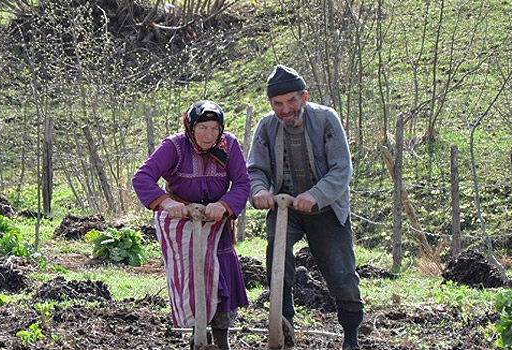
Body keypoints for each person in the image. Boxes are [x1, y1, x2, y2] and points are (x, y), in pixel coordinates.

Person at [247, 65, 364, 350]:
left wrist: (315, 195)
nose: (285, 109)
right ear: (270, 104)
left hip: (324, 208)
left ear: (304, 97)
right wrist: (260, 190)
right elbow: (255, 169)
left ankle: (351, 337)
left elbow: (341, 169)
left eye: (291, 101)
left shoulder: (325, 120)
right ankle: (283, 324)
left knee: (341, 272)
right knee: (277, 257)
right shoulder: (266, 125)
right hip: (284, 208)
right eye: (277, 103)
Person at [132, 100, 250, 350]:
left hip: (217, 223)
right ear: (191, 128)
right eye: (203, 128)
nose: (209, 135)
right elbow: (142, 177)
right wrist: (165, 202)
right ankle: (198, 337)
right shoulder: (174, 146)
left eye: (214, 129)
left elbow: (242, 183)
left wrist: (225, 205)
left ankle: (222, 341)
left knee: (222, 280)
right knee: (193, 279)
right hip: (183, 221)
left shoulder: (229, 146)